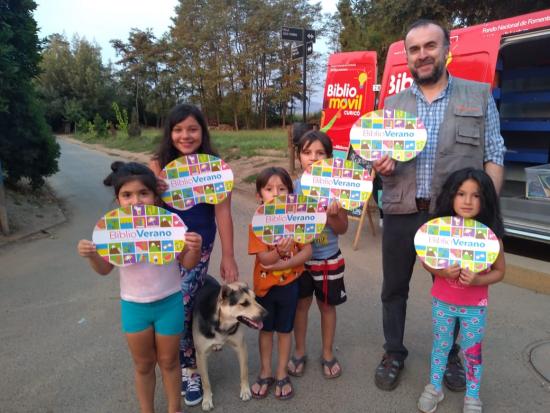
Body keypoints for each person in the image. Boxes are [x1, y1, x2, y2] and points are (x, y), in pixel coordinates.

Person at [373, 19, 506, 391]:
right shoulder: (392, 104)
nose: (422, 55)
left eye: (430, 46)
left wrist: (485, 216)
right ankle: (394, 351)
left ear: (447, 49)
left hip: (452, 220)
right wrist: (380, 163)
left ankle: (450, 357)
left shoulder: (478, 96)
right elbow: (378, 157)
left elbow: (494, 154)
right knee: (393, 288)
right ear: (408, 58)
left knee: (457, 291)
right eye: (414, 49)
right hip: (401, 210)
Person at [77, 161, 203, 413]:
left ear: (155, 196)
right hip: (134, 307)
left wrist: (194, 249)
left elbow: (188, 264)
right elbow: (105, 269)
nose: (136, 201)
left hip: (169, 303)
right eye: (127, 195)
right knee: (143, 365)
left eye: (143, 193)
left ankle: (173, 409)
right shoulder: (111, 230)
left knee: (169, 362)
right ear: (118, 199)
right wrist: (92, 255)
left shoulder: (170, 224)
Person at [149, 103, 239, 406]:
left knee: (184, 304)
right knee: (167, 302)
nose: (185, 136)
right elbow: (138, 210)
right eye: (178, 129)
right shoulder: (156, 165)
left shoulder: (216, 168)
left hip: (199, 246)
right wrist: (154, 191)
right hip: (163, 250)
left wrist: (229, 256)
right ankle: (169, 355)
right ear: (169, 132)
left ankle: (189, 369)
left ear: (202, 131)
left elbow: (223, 214)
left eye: (192, 129)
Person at [417, 168, 505, 413]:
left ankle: (473, 396)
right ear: (450, 197)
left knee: (472, 350)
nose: (467, 201)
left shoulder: (491, 238)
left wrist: (478, 280)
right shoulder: (438, 231)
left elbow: (500, 271)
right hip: (442, 302)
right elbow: (426, 260)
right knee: (441, 345)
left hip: (475, 306)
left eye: (475, 195)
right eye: (461, 193)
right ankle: (434, 387)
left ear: (486, 199)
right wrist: (441, 272)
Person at [288, 130, 349, 379]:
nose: (313, 158)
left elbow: (342, 229)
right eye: (307, 152)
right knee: (301, 307)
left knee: (327, 307)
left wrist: (334, 214)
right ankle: (299, 351)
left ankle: (327, 353)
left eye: (320, 153)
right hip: (300, 261)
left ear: (329, 157)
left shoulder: (336, 190)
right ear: (299, 156)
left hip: (328, 259)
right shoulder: (292, 188)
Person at [248, 167, 312, 400]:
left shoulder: (298, 219)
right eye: (268, 189)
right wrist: (277, 252)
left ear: (291, 192)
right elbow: (263, 259)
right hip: (264, 288)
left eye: (282, 188)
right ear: (259, 194)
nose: (276, 193)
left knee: (285, 330)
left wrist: (286, 262)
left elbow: (307, 251)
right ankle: (265, 371)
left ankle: (281, 372)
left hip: (290, 286)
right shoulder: (258, 222)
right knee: (265, 331)